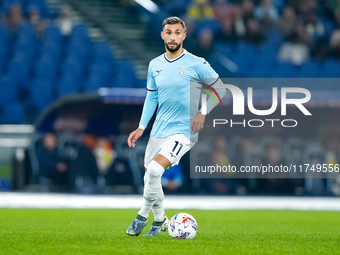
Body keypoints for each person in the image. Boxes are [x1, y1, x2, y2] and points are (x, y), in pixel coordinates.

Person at [126, 16, 226, 237]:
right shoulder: (155, 65)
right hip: (158, 129)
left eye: (177, 32)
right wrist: (141, 127)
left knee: (154, 170)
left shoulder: (196, 63)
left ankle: (142, 216)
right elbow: (152, 98)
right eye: (168, 32)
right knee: (150, 178)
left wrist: (203, 112)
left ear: (184, 35)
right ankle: (161, 220)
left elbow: (220, 88)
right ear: (162, 35)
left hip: (184, 131)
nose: (173, 37)